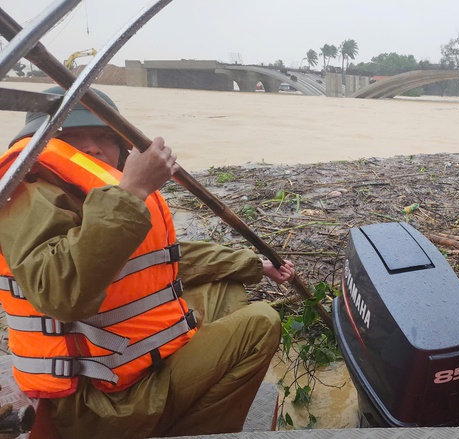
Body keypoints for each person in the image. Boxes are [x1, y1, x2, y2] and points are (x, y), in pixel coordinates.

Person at [0, 86, 295, 439]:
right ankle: (194, 432)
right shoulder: (28, 192)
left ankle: (181, 408)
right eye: (72, 136)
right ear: (39, 144)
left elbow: (164, 257)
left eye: (103, 137)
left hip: (130, 368)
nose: (92, 147)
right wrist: (131, 193)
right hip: (97, 401)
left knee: (225, 287)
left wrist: (253, 265)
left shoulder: (95, 191)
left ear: (120, 147)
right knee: (260, 323)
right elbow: (61, 293)